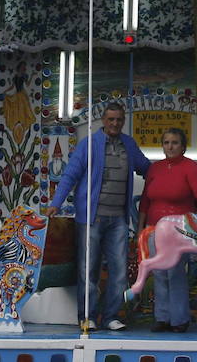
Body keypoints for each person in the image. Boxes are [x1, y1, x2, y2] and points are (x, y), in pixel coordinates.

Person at [45, 103, 150, 331]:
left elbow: (148, 169)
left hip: (119, 220)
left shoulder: (129, 144)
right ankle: (87, 316)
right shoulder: (89, 144)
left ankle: (111, 316)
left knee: (120, 271)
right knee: (88, 270)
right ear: (103, 119)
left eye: (119, 119)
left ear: (123, 121)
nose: (115, 123)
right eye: (111, 119)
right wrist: (56, 204)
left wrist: (175, 170)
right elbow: (70, 175)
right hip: (91, 218)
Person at [138, 127, 197, 333]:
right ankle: (162, 318)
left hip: (178, 230)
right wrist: (140, 227)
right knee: (159, 272)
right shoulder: (155, 169)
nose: (170, 146)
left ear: (183, 146)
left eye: (175, 142)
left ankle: (179, 319)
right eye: (167, 142)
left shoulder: (190, 167)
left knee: (175, 272)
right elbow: (145, 199)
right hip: (154, 228)